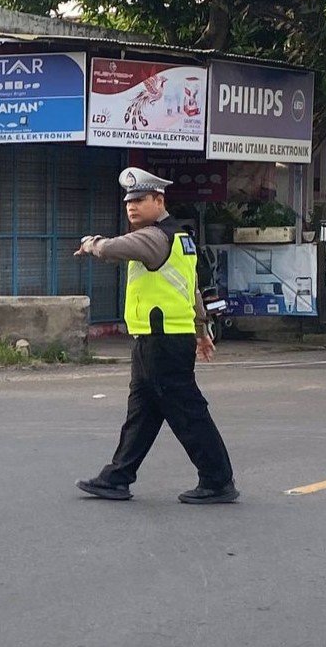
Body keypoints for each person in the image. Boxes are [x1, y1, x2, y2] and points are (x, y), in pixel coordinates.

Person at [73, 168, 238, 504]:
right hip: (157, 338)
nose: (132, 207)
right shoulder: (180, 238)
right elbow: (189, 289)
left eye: (139, 200)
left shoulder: (155, 237)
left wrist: (91, 243)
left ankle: (218, 480)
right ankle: (117, 477)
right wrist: (202, 331)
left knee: (188, 413)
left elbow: (112, 249)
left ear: (158, 200)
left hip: (163, 341)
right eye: (128, 202)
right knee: (142, 413)